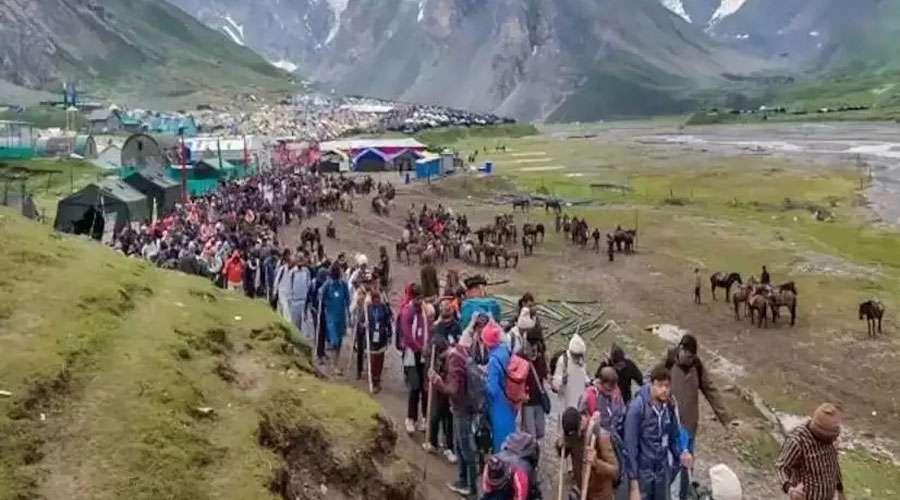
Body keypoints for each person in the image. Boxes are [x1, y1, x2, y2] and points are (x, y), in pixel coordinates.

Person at [665, 335, 731, 500]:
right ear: (681, 350)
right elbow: (651, 381)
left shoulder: (697, 366)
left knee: (688, 465)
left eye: (693, 357)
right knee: (669, 465)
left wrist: (726, 418)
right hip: (670, 425)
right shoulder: (668, 362)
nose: (690, 360)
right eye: (688, 356)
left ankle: (685, 495)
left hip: (689, 426)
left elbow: (710, 390)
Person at [624, 364, 691, 500]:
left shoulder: (669, 407)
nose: (664, 390)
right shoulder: (637, 409)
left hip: (662, 471)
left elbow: (674, 437)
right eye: (660, 385)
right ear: (651, 384)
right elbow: (630, 448)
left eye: (667, 386)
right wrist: (634, 486)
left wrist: (682, 454)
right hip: (643, 474)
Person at [430, 327, 478, 497]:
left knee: (466, 448)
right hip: (463, 407)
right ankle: (462, 480)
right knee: (460, 445)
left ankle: (471, 488)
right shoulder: (459, 352)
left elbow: (454, 389)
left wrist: (437, 382)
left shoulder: (453, 361)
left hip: (462, 409)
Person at [776, 403, 845, 500]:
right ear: (821, 434)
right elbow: (782, 467)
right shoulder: (798, 441)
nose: (835, 438)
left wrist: (840, 489)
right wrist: (790, 488)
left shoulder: (831, 442)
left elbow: (833, 465)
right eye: (831, 436)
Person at [425, 301, 457, 464]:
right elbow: (428, 352)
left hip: (453, 375)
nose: (446, 310)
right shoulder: (435, 329)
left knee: (449, 414)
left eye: (448, 308)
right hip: (439, 375)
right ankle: (432, 441)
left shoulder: (457, 327)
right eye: (444, 308)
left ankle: (449, 446)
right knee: (436, 412)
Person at [398, 284, 431, 434]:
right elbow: (407, 335)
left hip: (423, 354)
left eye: (421, 298)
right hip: (412, 354)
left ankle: (424, 417)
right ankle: (411, 418)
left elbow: (427, 328)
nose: (419, 301)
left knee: (424, 387)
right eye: (417, 298)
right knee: (415, 386)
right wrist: (419, 348)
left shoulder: (424, 311)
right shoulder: (407, 312)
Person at [484, 321, 517, 453]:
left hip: (498, 403)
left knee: (499, 440)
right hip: (510, 399)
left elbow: (492, 389)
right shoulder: (504, 350)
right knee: (510, 434)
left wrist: (482, 381)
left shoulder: (493, 361)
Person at [319, 263, 350, 375]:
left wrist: (349, 316)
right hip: (331, 316)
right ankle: (333, 364)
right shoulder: (327, 285)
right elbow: (321, 295)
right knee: (334, 340)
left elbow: (347, 300)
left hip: (341, 316)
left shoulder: (343, 285)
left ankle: (335, 363)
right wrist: (321, 296)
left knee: (339, 341)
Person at [580, 416, 620, 500]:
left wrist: (596, 462)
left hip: (602, 495)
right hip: (587, 492)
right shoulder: (577, 434)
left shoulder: (602, 438)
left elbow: (615, 471)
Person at [580, 367, 625, 434]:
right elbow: (581, 418)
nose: (611, 392)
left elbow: (622, 413)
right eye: (609, 389)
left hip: (614, 435)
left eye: (614, 387)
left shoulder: (617, 393)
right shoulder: (589, 395)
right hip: (595, 436)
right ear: (601, 383)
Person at [552, 334, 589, 414]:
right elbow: (555, 383)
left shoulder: (581, 362)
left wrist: (588, 382)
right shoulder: (563, 361)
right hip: (566, 399)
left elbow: (583, 375)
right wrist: (562, 380)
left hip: (579, 399)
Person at [365, 288, 393, 393]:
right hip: (372, 337)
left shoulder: (384, 308)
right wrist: (364, 325)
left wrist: (390, 334)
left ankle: (378, 379)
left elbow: (388, 322)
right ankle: (373, 379)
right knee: (373, 359)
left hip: (381, 336)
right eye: (374, 298)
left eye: (378, 298)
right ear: (372, 299)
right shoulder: (367, 309)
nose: (377, 300)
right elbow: (361, 321)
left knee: (380, 360)